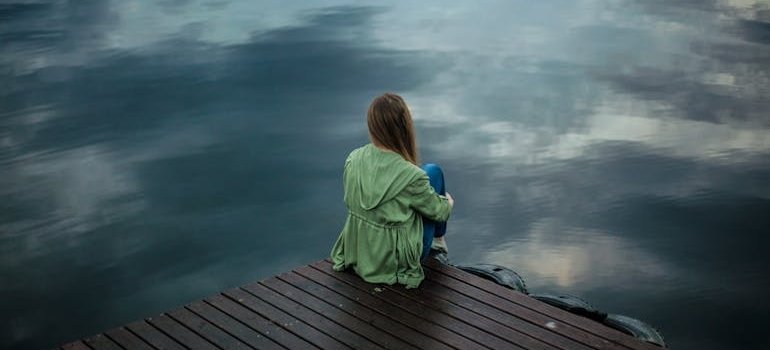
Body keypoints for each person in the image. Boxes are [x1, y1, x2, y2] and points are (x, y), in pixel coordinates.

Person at [330, 93, 454, 289]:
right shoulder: (412, 176)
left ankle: (437, 240)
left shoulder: (353, 159)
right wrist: (447, 203)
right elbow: (441, 212)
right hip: (393, 261)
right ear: (405, 127)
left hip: (361, 251)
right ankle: (438, 241)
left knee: (427, 175)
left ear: (372, 125)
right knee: (433, 172)